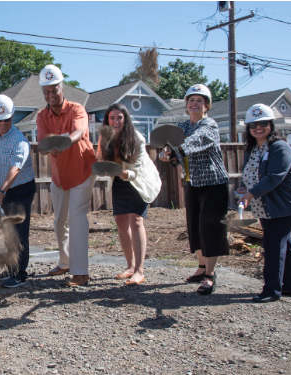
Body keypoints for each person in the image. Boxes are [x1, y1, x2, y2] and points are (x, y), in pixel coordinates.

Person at [160, 84, 229, 295]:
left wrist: (175, 150)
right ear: (186, 105)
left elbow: (193, 142)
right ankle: (201, 268)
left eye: (200, 101)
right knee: (195, 227)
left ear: (207, 106)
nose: (195, 104)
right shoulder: (182, 126)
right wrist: (166, 154)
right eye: (191, 100)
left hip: (214, 184)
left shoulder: (210, 125)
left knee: (210, 227)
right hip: (192, 182)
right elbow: (173, 147)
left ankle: (210, 274)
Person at [237, 104, 291, 303]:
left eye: (263, 123)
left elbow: (274, 177)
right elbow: (250, 173)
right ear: (248, 128)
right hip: (267, 206)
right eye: (253, 124)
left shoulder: (279, 147)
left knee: (273, 244)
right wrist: (244, 187)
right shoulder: (252, 149)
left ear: (271, 125)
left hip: (286, 205)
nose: (258, 127)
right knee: (285, 244)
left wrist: (250, 195)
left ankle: (271, 290)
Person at [36, 65, 97, 287]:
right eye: (47, 92)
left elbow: (79, 131)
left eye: (54, 90)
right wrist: (49, 147)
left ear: (62, 88)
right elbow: (43, 143)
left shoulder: (76, 109)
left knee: (77, 218)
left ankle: (81, 272)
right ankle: (65, 262)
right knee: (60, 220)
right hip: (59, 176)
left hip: (81, 171)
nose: (51, 95)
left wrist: (62, 142)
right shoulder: (42, 116)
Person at [98, 103, 161, 286]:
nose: (116, 121)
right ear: (107, 120)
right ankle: (130, 266)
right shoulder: (106, 136)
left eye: (119, 117)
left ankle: (140, 271)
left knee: (136, 220)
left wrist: (118, 171)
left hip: (138, 182)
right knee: (120, 222)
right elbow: (100, 159)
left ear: (125, 119)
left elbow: (135, 172)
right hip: (119, 181)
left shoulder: (137, 139)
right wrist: (103, 167)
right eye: (112, 118)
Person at [0, 95, 36, 288]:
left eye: (7, 120)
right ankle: (11, 268)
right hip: (4, 189)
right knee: (7, 229)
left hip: (20, 189)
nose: (3, 123)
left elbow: (15, 168)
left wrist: (2, 191)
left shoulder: (20, 141)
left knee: (18, 231)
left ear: (12, 117)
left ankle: (19, 273)